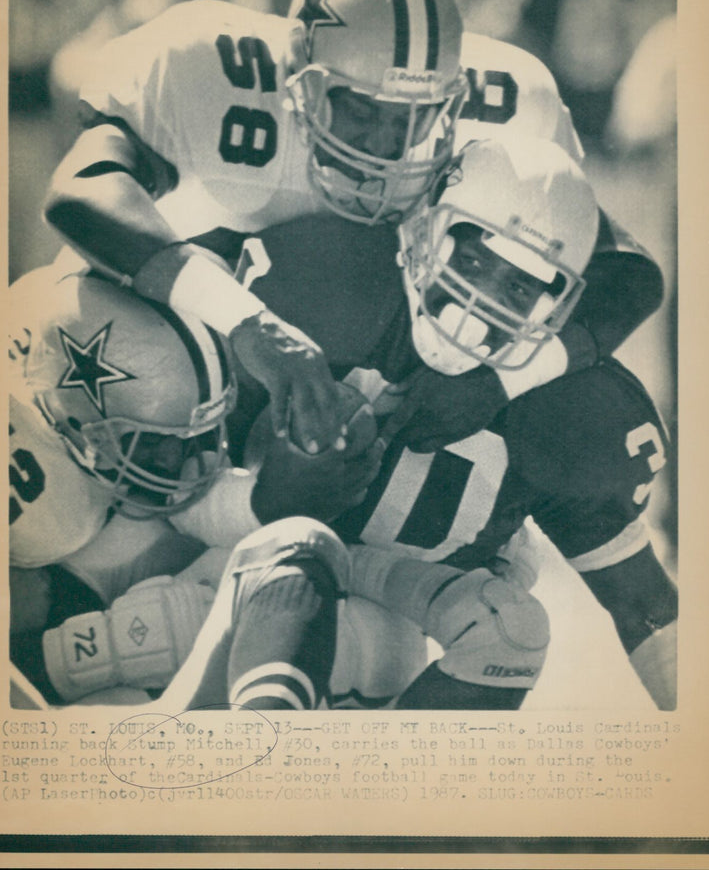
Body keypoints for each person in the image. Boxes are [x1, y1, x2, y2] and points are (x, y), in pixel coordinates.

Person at [41, 0, 661, 461]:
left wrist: (502, 383)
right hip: (168, 392)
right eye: (362, 111)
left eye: (414, 118)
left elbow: (624, 273)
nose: (387, 147)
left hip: (359, 406)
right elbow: (81, 187)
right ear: (300, 81)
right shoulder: (208, 64)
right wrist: (244, 321)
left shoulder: (508, 103)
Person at [164, 133, 676, 713]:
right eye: (474, 259)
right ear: (423, 229)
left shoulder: (562, 403)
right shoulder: (324, 286)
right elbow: (166, 493)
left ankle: (403, 793)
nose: (480, 299)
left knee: (508, 628)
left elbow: (647, 608)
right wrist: (266, 501)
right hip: (235, 593)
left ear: (556, 308)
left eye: (517, 286)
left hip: (396, 629)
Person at [8, 263, 382, 706]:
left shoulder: (77, 289)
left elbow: (184, 497)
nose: (173, 458)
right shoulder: (50, 513)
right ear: (65, 415)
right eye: (152, 442)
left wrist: (267, 503)